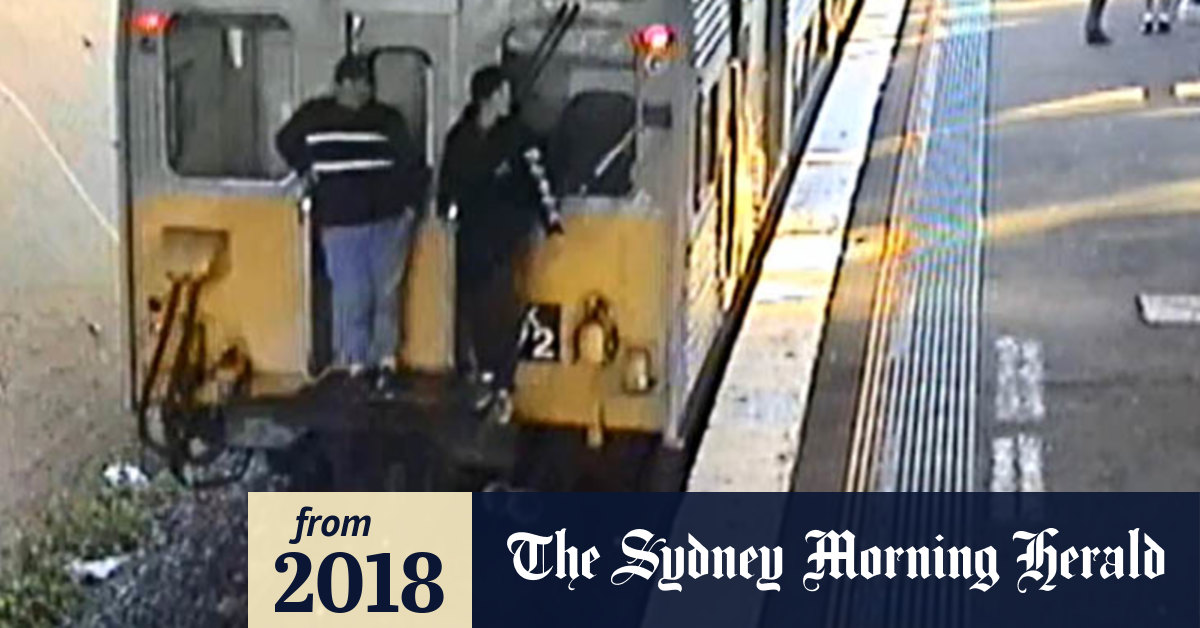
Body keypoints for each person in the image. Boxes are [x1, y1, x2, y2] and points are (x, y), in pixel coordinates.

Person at [275, 54, 430, 396]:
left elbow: (413, 165)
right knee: (351, 294)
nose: (365, 90)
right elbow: (284, 140)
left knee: (386, 294)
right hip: (340, 223)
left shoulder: (387, 119)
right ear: (341, 85)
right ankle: (356, 364)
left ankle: (386, 361)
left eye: (368, 84)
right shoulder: (314, 116)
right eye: (360, 83)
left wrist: (409, 210)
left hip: (387, 221)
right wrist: (306, 170)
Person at [436, 66, 564, 423]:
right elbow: (448, 180)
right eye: (503, 93)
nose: (509, 100)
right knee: (472, 305)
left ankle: (502, 384)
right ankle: (476, 375)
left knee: (506, 308)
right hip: (471, 234)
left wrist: (551, 221)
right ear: (488, 98)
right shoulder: (459, 138)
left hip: (508, 235)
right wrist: (445, 208)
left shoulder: (519, 137)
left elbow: (540, 179)